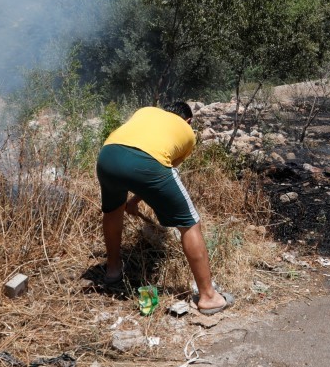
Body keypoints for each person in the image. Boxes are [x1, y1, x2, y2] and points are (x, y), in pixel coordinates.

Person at [95, 102, 232, 314]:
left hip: (107, 156)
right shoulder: (188, 132)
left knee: (113, 211)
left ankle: (113, 270)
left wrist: (133, 202)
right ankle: (208, 297)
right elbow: (158, 171)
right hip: (149, 162)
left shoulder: (146, 111)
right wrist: (138, 199)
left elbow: (144, 164)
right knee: (190, 223)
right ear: (188, 120)